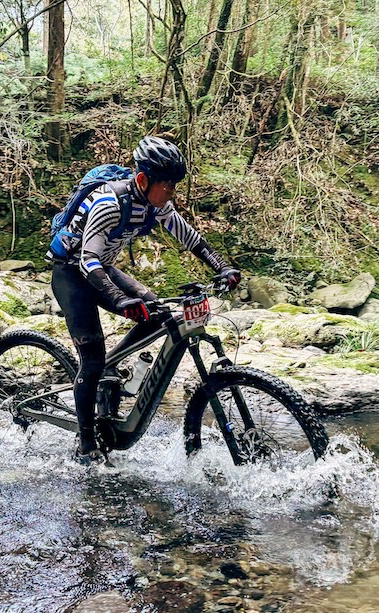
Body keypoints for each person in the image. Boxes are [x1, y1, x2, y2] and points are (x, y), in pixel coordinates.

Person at [49, 135, 241, 465]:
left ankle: (109, 371)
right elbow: (88, 261)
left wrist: (222, 267)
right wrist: (121, 300)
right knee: (92, 361)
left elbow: (191, 238)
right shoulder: (108, 205)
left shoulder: (156, 204)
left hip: (103, 269)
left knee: (157, 315)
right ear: (143, 179)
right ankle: (85, 444)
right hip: (72, 274)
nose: (172, 193)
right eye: (167, 185)